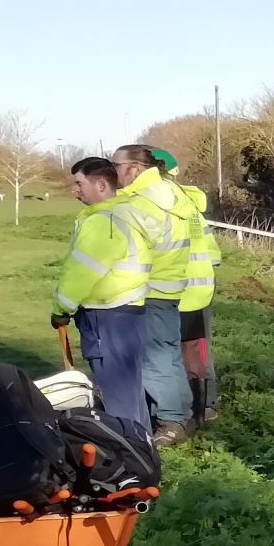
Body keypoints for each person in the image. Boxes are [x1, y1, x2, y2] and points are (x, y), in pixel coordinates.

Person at [51, 158, 155, 440]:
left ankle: (127, 462)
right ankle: (143, 452)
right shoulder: (126, 214)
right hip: (129, 312)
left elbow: (81, 273)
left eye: (79, 183)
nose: (75, 190)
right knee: (131, 391)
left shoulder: (102, 223)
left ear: (101, 185)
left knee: (117, 395)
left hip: (106, 317)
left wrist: (61, 307)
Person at [111, 143, 195, 445]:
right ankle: (183, 417)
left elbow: (128, 249)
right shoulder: (170, 195)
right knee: (168, 357)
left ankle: (170, 423)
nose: (113, 173)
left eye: (116, 166)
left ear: (135, 168)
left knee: (154, 361)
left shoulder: (143, 201)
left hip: (149, 288)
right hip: (168, 287)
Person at [149, 148, 223, 425]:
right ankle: (206, 408)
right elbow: (212, 252)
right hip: (198, 290)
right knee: (197, 351)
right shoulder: (189, 205)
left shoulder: (153, 202)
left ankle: (185, 413)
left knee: (168, 353)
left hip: (168, 289)